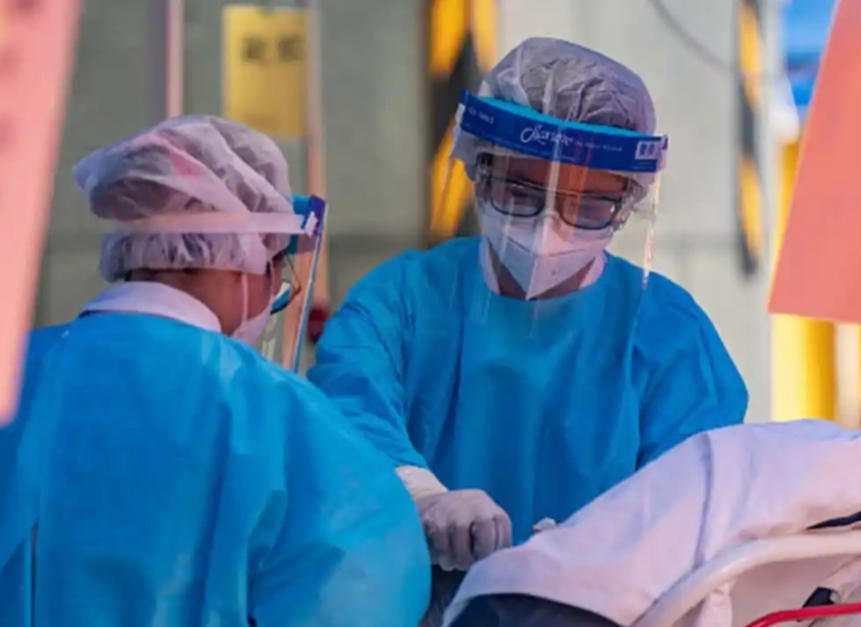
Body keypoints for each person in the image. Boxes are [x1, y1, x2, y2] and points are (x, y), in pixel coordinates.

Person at [309, 38, 748, 573]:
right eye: (520, 190)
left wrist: (605, 549)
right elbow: (345, 414)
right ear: (477, 166)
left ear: (627, 202)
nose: (548, 228)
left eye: (586, 203)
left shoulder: (669, 335)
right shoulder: (401, 303)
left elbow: (699, 493)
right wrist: (422, 497)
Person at [0, 115, 429, 626]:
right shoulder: (290, 422)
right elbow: (363, 593)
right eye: (275, 267)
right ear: (242, 259)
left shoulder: (15, 379)